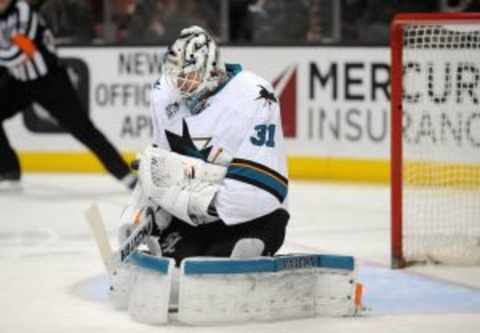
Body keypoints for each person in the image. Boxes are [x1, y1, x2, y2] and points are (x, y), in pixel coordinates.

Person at [124, 26, 289, 265]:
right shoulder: (164, 94)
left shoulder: (254, 96)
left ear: (211, 70)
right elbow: (159, 165)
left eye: (188, 76)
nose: (180, 85)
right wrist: (143, 210)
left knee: (215, 270)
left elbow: (258, 192)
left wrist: (185, 200)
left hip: (251, 219)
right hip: (191, 218)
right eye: (176, 75)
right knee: (174, 269)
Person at [0, 0, 137, 191]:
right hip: (20, 82)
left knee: (83, 129)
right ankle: (8, 169)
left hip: (50, 81)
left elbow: (24, 51)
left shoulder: (23, 11)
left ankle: (127, 176)